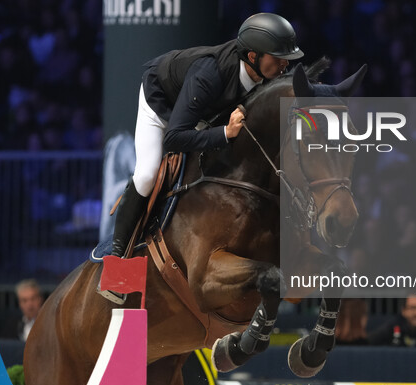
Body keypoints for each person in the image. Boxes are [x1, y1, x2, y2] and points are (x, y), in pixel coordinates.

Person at [100, 13, 303, 302]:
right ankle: (117, 264)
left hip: (204, 111)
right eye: (279, 57)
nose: (285, 64)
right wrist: (224, 134)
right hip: (163, 106)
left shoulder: (265, 76)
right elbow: (175, 137)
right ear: (253, 55)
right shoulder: (210, 74)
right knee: (146, 173)